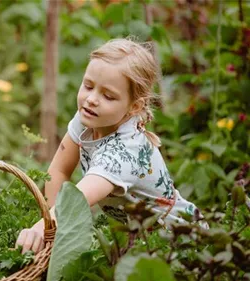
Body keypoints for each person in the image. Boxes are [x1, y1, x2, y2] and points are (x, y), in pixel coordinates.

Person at [16, 38, 206, 255]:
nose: (91, 99)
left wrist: (43, 228)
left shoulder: (125, 152)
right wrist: (50, 227)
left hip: (181, 243)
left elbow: (76, 201)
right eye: (88, 86)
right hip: (140, 240)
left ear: (134, 106)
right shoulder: (89, 117)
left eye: (108, 96)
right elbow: (59, 170)